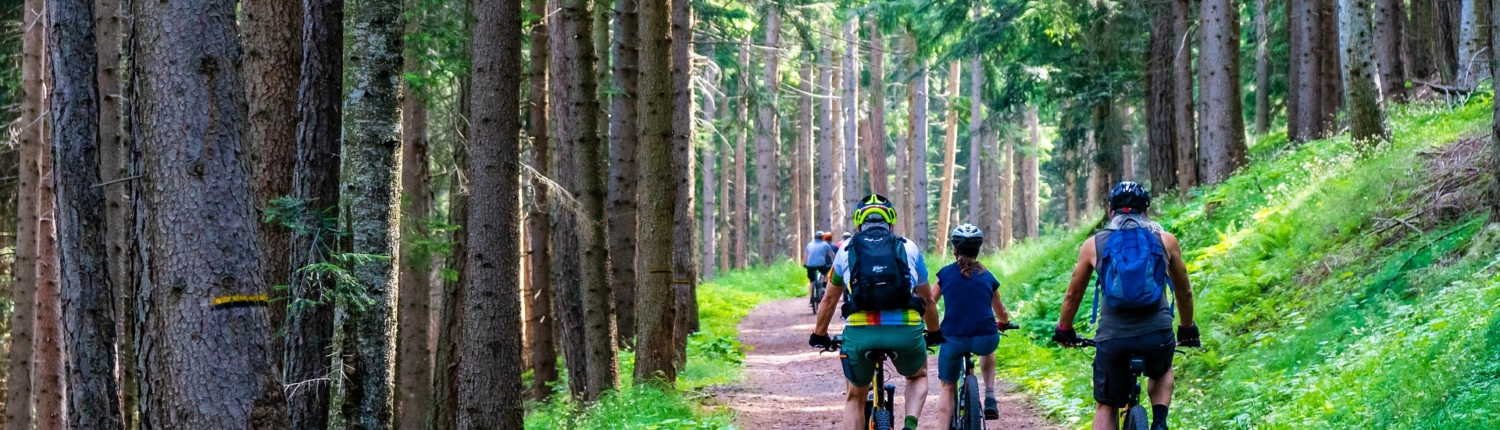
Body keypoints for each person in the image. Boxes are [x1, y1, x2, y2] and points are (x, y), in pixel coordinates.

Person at [1051, 181, 1200, 430]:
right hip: (1157, 335)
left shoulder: (1094, 244)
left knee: (1106, 405)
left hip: (1113, 339)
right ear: (1147, 209)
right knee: (1162, 371)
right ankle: (1160, 422)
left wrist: (1064, 328)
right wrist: (1186, 327)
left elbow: (1072, 294)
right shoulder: (1166, 241)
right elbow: (1184, 290)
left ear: (1110, 210)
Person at [809, 194, 940, 430]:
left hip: (861, 333)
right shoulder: (909, 247)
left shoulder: (845, 250)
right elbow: (928, 299)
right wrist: (934, 332)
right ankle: (909, 427)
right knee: (917, 376)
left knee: (854, 396)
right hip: (906, 332)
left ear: (859, 224)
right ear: (891, 223)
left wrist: (819, 334)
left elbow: (829, 299)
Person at [933, 224, 1018, 425]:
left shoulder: (945, 274)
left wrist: (928, 327)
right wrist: (1004, 323)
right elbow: (1001, 311)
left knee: (947, 387)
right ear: (978, 249)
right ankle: (989, 395)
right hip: (984, 338)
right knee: (989, 347)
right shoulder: (987, 276)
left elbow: (930, 302)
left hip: (952, 338)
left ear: (955, 249)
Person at [803, 230, 836, 298]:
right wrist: (834, 262)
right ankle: (824, 285)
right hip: (821, 264)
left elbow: (805, 256)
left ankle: (811, 297)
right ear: (822, 237)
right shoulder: (825, 244)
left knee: (812, 281)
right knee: (826, 272)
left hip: (810, 265)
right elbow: (832, 255)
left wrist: (805, 264)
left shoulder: (809, 244)